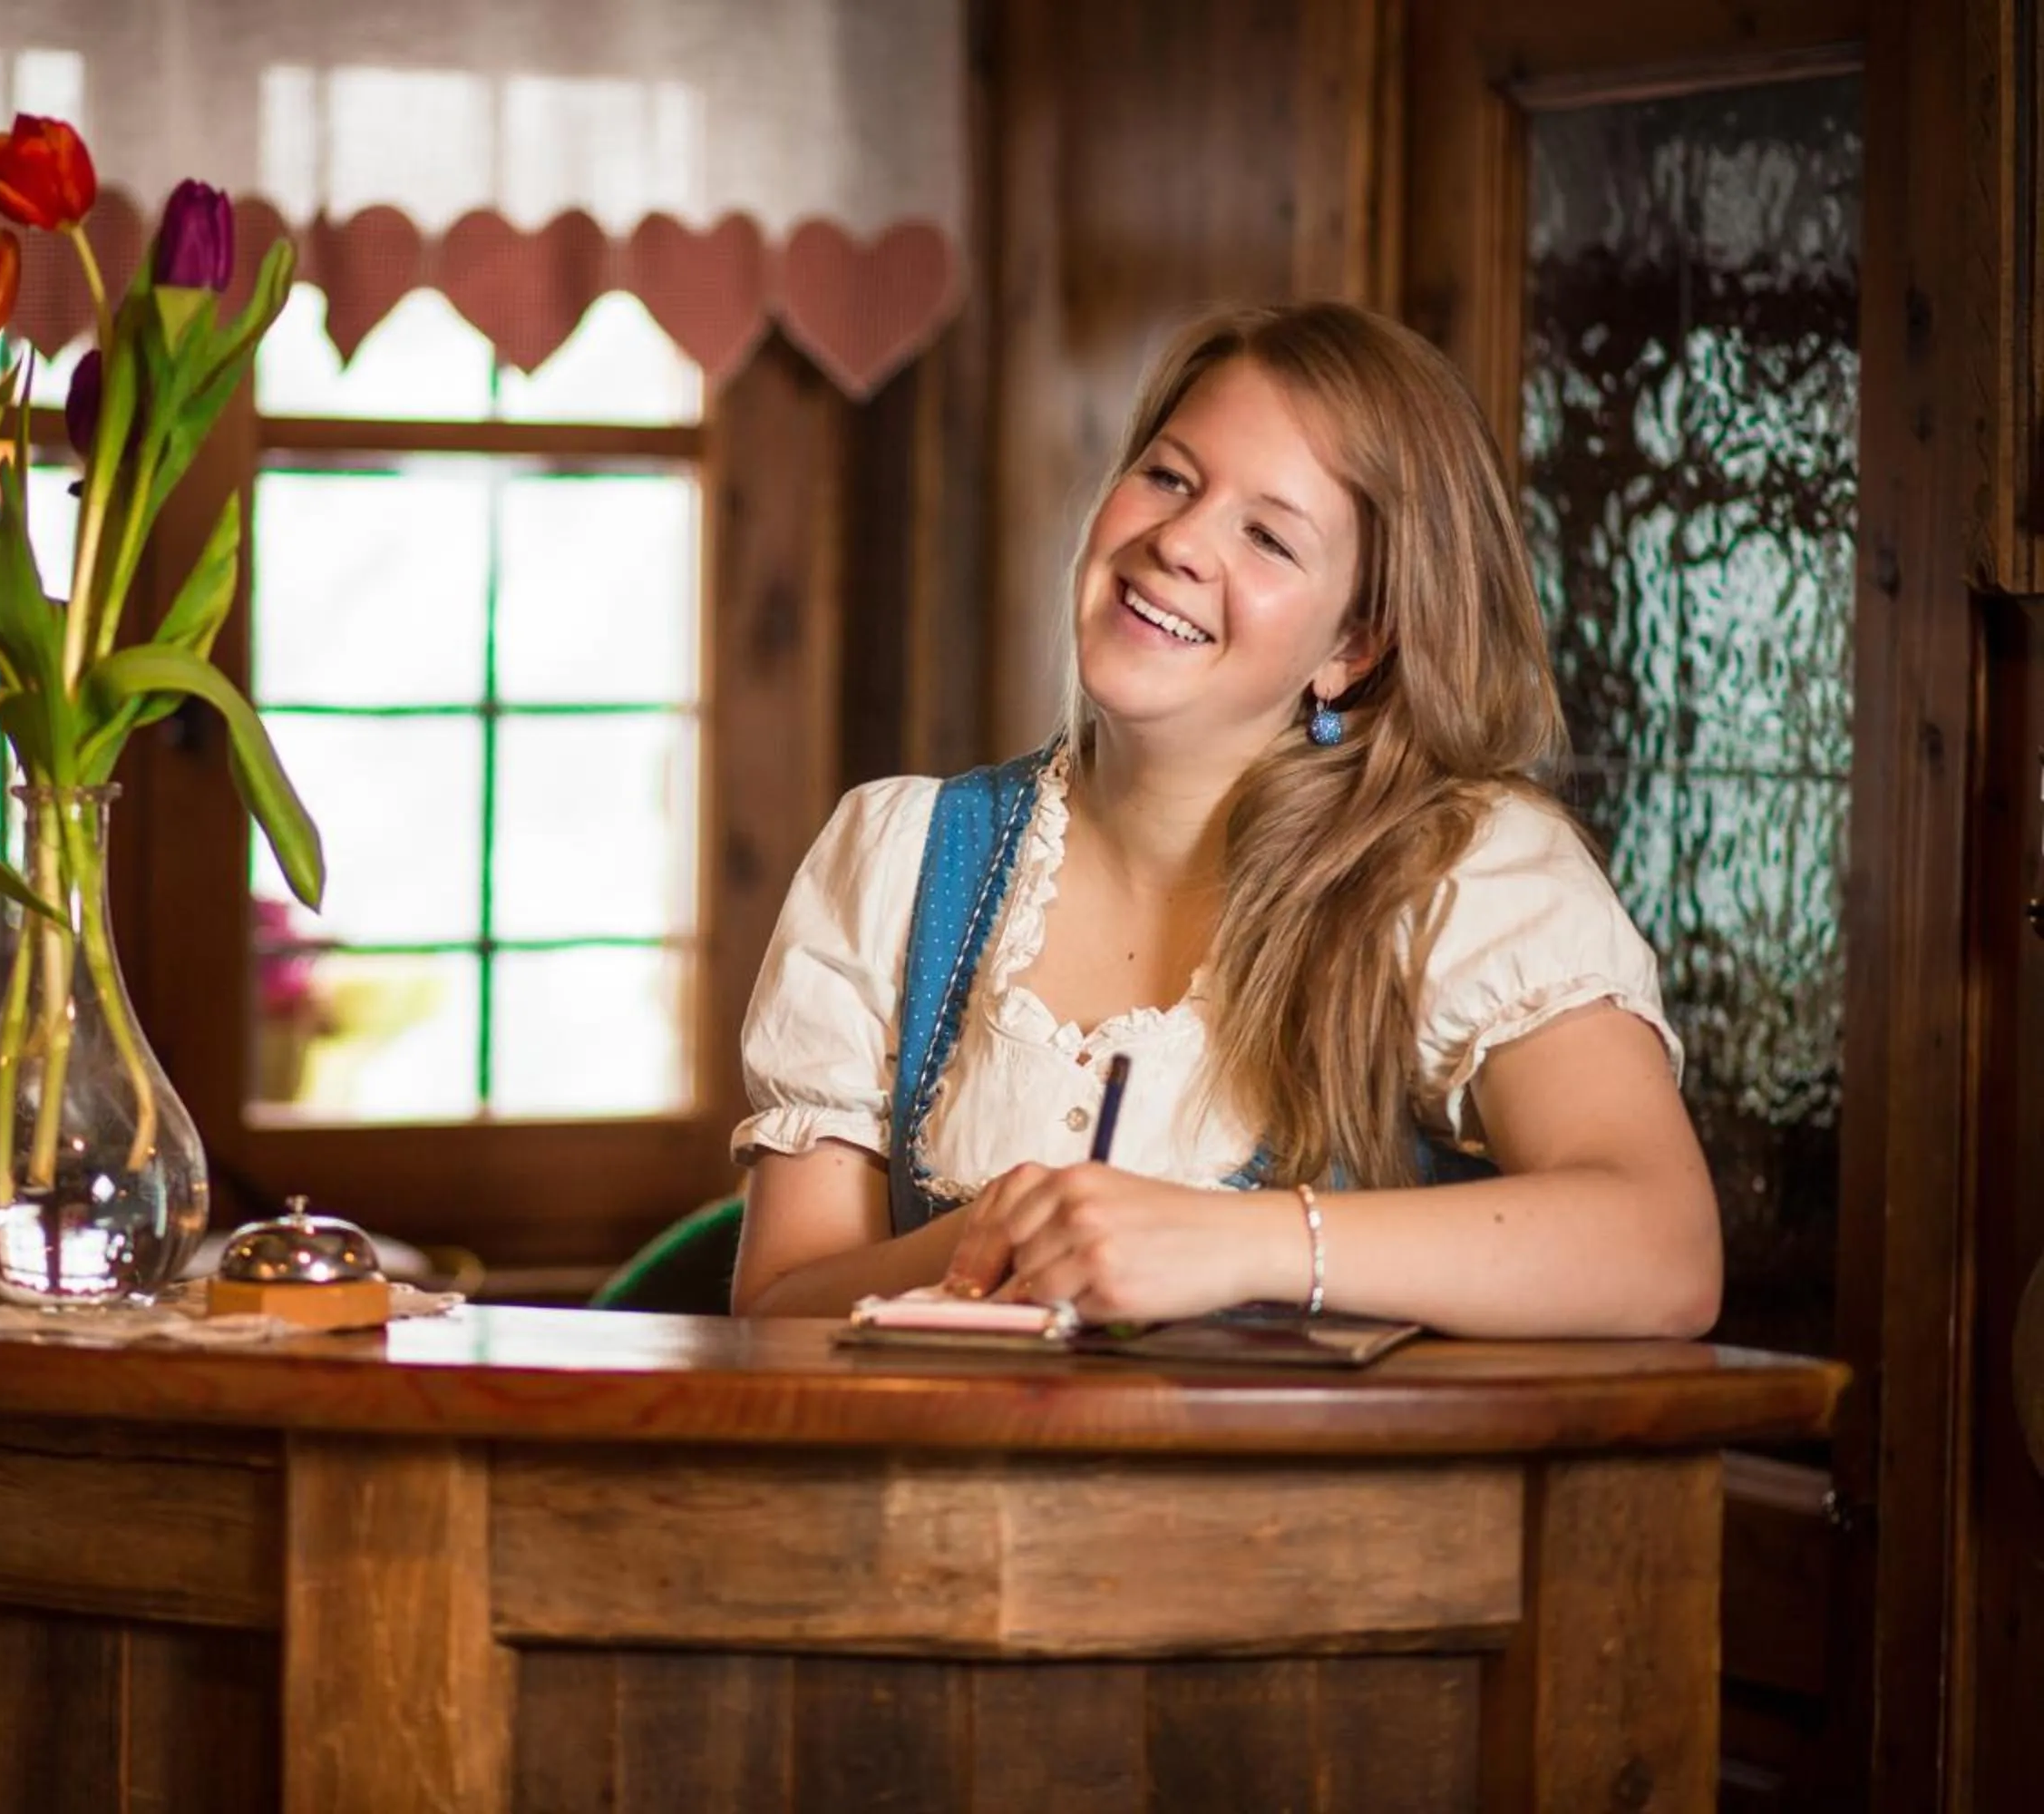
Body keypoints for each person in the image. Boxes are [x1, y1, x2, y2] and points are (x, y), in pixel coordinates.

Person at [728, 301, 1720, 1339]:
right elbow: (777, 1311)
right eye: (1169, 476)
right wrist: (996, 1231)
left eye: (1269, 537)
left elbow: (1664, 1250)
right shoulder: (895, 855)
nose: (1181, 541)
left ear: (1355, 646)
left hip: (1322, 1509)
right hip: (948, 1504)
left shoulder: (1457, 870)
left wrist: (1229, 1240)